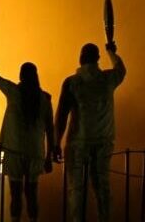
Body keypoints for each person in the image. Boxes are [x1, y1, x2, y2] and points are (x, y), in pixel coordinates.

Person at [0, 44, 58, 222]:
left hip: (14, 151)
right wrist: (49, 156)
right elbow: (49, 128)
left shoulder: (14, 92)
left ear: (21, 76)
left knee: (15, 194)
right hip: (35, 153)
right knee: (31, 195)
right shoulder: (44, 99)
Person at [54, 42, 126, 222]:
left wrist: (55, 143)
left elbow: (61, 115)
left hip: (78, 143)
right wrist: (111, 51)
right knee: (102, 188)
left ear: (81, 58)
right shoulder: (108, 79)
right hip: (104, 142)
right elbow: (121, 68)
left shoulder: (72, 82)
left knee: (76, 190)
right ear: (98, 59)